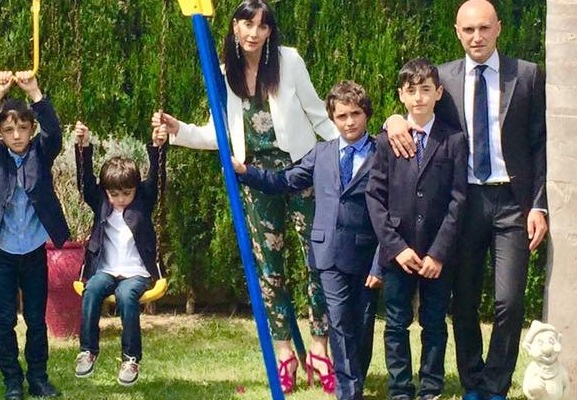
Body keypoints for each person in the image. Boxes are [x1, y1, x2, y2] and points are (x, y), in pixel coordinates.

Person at [150, 0, 338, 393]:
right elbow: (217, 133)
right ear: (234, 27)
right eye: (247, 24)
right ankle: (285, 352)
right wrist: (178, 130)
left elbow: (319, 115)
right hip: (254, 177)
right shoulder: (224, 73)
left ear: (270, 31)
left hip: (300, 171)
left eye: (262, 26)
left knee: (318, 259)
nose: (254, 33)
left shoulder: (289, 61)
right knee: (269, 267)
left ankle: (320, 346)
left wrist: (351, 154)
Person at [384, 1, 548, 398]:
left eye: (484, 28)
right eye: (468, 29)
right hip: (463, 202)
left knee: (509, 300)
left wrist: (539, 205)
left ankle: (496, 384)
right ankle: (473, 382)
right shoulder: (444, 78)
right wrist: (392, 120)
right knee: (464, 300)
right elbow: (417, 108)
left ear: (498, 29)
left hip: (512, 203)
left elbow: (541, 144)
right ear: (457, 32)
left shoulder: (526, 75)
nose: (477, 37)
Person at [233, 81, 382, 400]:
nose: (349, 122)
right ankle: (349, 392)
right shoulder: (322, 153)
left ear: (367, 114)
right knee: (339, 321)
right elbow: (284, 180)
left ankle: (356, 377)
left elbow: (391, 211)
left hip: (366, 254)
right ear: (333, 119)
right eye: (341, 116)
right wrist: (246, 172)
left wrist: (380, 262)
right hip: (328, 252)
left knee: (362, 323)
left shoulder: (381, 153)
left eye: (355, 114)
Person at [369, 58, 468, 400]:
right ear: (401, 95)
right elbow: (375, 196)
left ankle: (431, 387)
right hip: (399, 251)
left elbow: (458, 199)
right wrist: (396, 247)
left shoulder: (453, 140)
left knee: (435, 322)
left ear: (439, 93)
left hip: (437, 252)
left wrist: (439, 253)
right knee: (396, 323)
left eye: (426, 90)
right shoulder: (387, 141)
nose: (419, 98)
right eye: (411, 91)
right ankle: (400, 388)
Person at [0, 70, 67, 400]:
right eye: (9, 130)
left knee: (36, 319)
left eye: (23, 128)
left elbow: (55, 133)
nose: (17, 135)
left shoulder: (41, 151)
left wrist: (35, 93)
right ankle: (12, 380)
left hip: (34, 251)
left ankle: (38, 378)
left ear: (31, 129)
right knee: (6, 319)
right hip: (4, 252)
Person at [71, 121, 168, 387]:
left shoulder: (143, 201)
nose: (121, 199)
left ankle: (130, 358)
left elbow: (157, 179)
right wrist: (83, 147)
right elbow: (84, 182)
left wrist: (158, 147)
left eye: (127, 193)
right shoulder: (101, 203)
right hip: (106, 269)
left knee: (126, 296)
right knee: (91, 290)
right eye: (114, 194)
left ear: (136, 189)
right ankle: (88, 351)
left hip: (136, 272)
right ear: (105, 192)